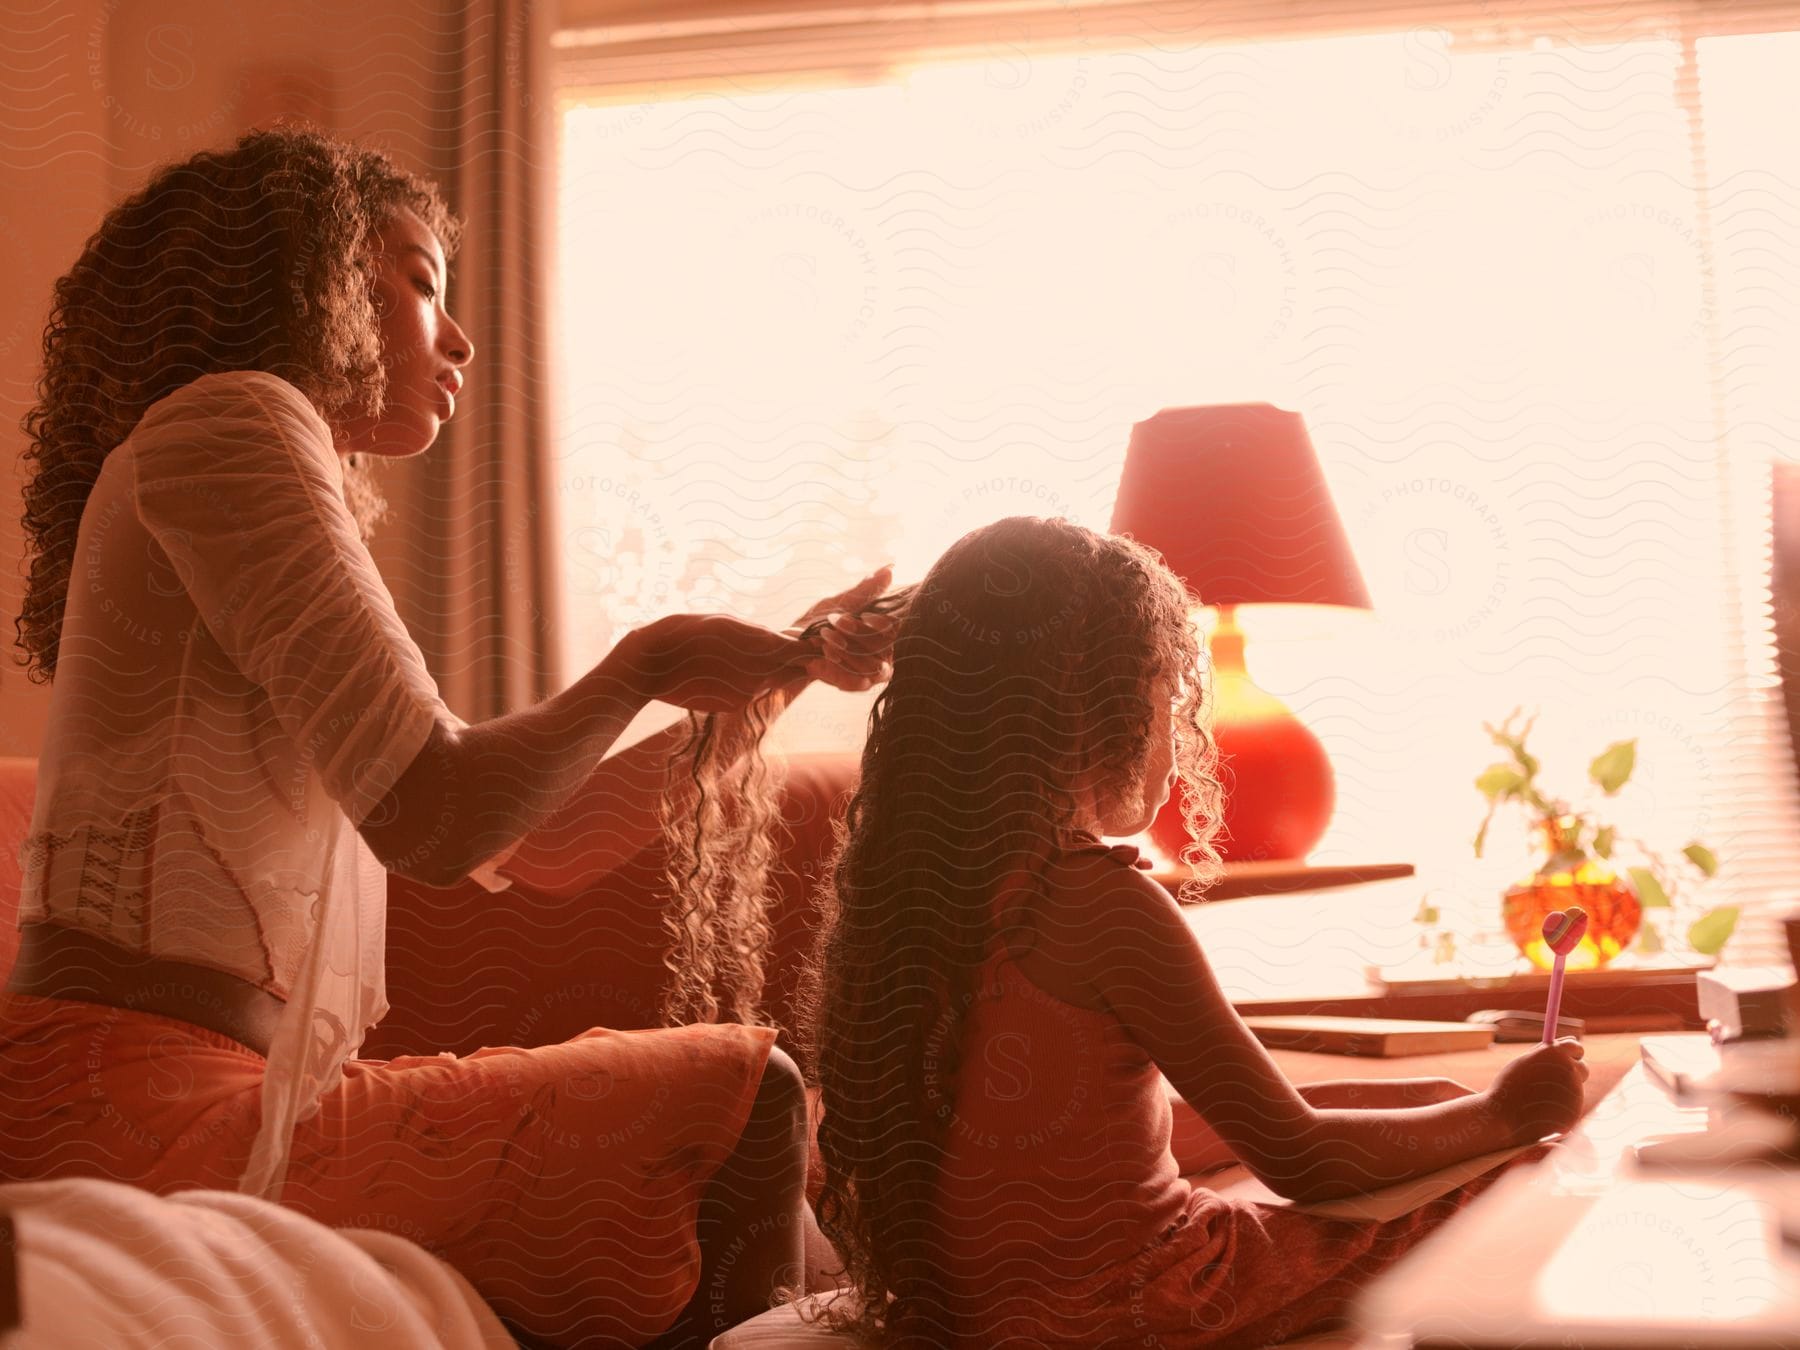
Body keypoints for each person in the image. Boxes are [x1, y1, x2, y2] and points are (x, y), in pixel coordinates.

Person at [1, 125, 895, 1349]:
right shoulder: (233, 423)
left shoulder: (230, 453)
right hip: (133, 1108)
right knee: (747, 1101)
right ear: (307, 283)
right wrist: (642, 664)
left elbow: (546, 844)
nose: (460, 336)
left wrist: (775, 677)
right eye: (422, 281)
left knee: (764, 1154)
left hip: (201, 1097)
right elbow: (443, 815)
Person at [806, 515, 1589, 1348]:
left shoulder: (917, 900)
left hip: (975, 1313)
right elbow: (1302, 1159)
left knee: (1425, 1105)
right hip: (1143, 1304)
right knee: (1532, 1173)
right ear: (1099, 715)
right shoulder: (1104, 904)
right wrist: (1506, 1118)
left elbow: (1064, 1134)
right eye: (1166, 699)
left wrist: (1442, 1109)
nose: (1178, 746)